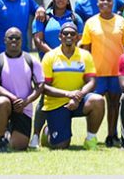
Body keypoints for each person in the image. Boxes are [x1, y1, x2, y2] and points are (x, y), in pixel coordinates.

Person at [29, 0, 84, 148]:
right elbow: (38, 41)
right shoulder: (43, 17)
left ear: (68, 0)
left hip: (71, 66)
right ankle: (36, 136)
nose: (61, 0)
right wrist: (57, 54)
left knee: (72, 97)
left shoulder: (74, 18)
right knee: (44, 97)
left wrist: (69, 54)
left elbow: (79, 40)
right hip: (49, 64)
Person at [42, 22, 104, 150]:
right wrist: (67, 94)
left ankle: (90, 139)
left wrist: (77, 97)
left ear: (78, 37)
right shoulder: (50, 57)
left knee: (97, 100)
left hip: (78, 101)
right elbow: (44, 87)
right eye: (65, 33)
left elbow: (92, 81)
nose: (69, 36)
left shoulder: (85, 55)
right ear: (60, 36)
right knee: (61, 146)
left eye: (72, 34)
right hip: (56, 103)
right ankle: (48, 131)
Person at [81, 0, 124, 147]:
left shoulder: (121, 22)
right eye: (102, 0)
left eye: (109, 0)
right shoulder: (90, 23)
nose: (105, 3)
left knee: (114, 104)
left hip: (117, 73)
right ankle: (91, 136)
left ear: (113, 3)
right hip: (97, 73)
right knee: (94, 104)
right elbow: (85, 49)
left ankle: (111, 135)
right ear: (97, 3)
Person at [0, 27, 44, 152]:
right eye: (10, 37)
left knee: (18, 146)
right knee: (1, 102)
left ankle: (9, 132)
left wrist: (26, 101)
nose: (14, 40)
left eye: (17, 38)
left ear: (22, 41)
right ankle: (1, 139)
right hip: (6, 106)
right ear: (4, 40)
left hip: (24, 108)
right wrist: (13, 98)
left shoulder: (31, 61)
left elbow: (40, 86)